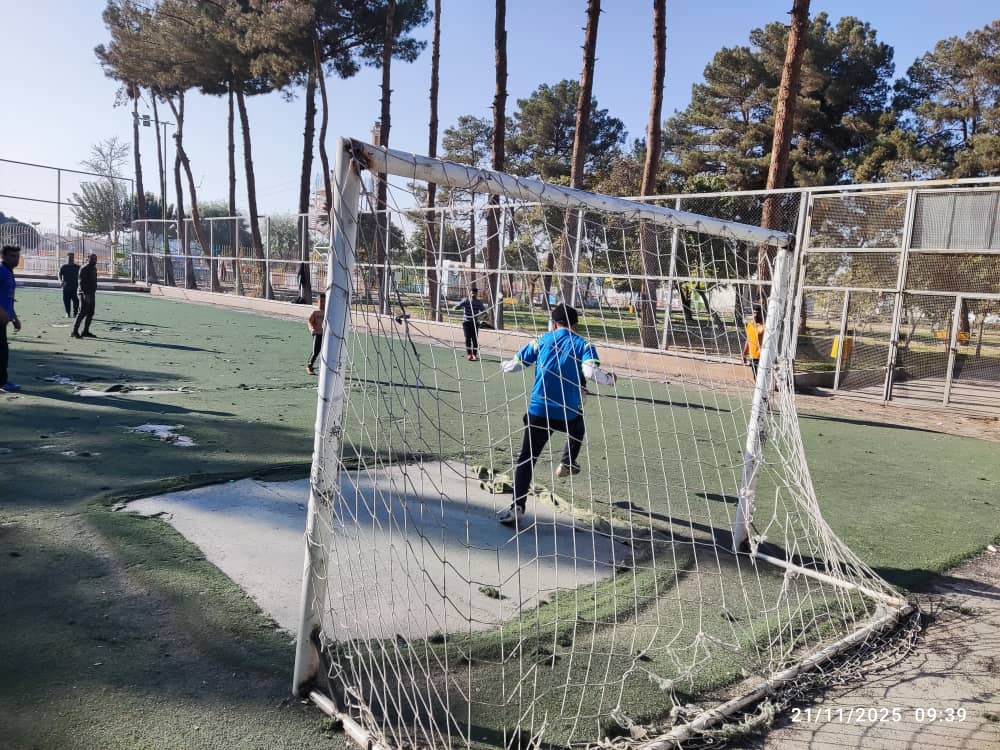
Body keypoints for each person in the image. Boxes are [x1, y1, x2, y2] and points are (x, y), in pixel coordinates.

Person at [498, 303, 616, 526]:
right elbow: (590, 372)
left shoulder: (541, 340)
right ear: (575, 325)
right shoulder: (584, 344)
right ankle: (567, 462)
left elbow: (514, 366)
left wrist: (503, 365)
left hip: (538, 410)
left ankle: (517, 507)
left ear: (554, 324)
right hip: (567, 413)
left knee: (526, 458)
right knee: (578, 427)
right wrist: (610, 379)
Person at [1, 245, 23, 392]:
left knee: (3, 351)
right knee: (2, 352)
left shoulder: (9, 272)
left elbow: (8, 298)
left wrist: (14, 318)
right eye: (12, 256)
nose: (15, 259)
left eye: (17, 256)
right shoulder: (1, 271)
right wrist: (2, 313)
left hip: (3, 320)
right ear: (3, 257)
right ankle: (2, 382)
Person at [454, 287, 487, 361]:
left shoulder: (478, 302)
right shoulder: (466, 300)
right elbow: (457, 306)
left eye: (475, 293)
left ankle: (474, 355)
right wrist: (456, 307)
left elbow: (484, 311)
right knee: (467, 338)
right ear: (469, 293)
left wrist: (484, 315)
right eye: (472, 293)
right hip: (466, 322)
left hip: (475, 323)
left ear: (477, 294)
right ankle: (469, 354)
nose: (473, 294)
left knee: (474, 339)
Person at [72, 254, 98, 339]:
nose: (94, 260)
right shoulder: (84, 268)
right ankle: (74, 331)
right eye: (92, 259)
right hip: (83, 293)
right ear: (88, 259)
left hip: (91, 293)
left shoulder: (94, 268)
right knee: (82, 312)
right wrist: (85, 294)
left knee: (90, 312)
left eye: (95, 259)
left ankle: (85, 331)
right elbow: (81, 283)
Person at [742, 306, 765, 377]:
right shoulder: (750, 325)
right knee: (756, 377)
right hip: (753, 356)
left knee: (761, 377)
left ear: (762, 314)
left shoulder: (765, 326)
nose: (755, 315)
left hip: (762, 357)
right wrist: (744, 354)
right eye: (754, 313)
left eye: (758, 313)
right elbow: (748, 340)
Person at [306, 293, 326, 375]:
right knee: (316, 351)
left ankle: (326, 367)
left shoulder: (328, 312)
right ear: (318, 302)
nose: (322, 303)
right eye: (321, 301)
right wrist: (312, 329)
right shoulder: (315, 312)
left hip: (326, 335)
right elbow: (309, 322)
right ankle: (309, 366)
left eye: (324, 301)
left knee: (326, 351)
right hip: (318, 334)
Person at [58, 252, 80, 318]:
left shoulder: (77, 267)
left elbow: (82, 275)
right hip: (66, 287)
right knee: (66, 301)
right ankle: (67, 313)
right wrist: (60, 281)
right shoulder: (64, 267)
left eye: (72, 257)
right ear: (67, 258)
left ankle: (75, 313)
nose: (71, 259)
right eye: (69, 257)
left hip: (75, 287)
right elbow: (59, 274)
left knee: (76, 301)